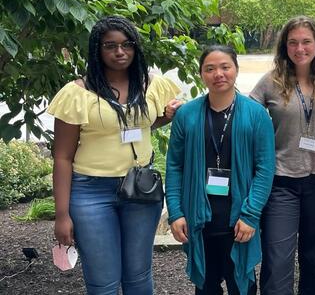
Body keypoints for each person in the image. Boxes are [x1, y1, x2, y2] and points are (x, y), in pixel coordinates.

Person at [48, 15, 182, 294]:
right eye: (110, 46)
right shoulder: (78, 93)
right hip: (91, 194)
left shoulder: (150, 85)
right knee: (103, 282)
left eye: (127, 44)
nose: (120, 52)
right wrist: (62, 215)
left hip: (141, 189)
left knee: (139, 276)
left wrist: (166, 117)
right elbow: (62, 157)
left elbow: (141, 124)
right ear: (97, 49)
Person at [250, 16, 315, 295]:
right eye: (292, 42)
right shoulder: (271, 81)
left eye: (306, 41)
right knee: (278, 258)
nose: (300, 48)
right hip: (281, 180)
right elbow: (246, 116)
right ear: (285, 47)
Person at [165, 45, 276, 295]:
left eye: (225, 67)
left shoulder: (257, 115)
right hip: (199, 218)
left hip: (238, 220)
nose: (219, 74)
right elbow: (174, 166)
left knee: (242, 285)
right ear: (202, 74)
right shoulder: (187, 115)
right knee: (205, 286)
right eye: (210, 69)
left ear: (236, 69)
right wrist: (175, 212)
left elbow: (265, 169)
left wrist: (251, 215)